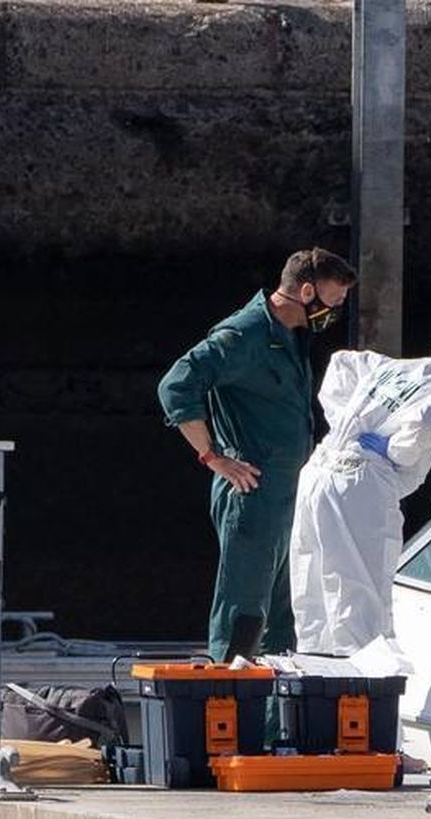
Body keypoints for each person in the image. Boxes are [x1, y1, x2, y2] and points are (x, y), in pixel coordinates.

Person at [157, 247, 356, 661]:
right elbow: (176, 385)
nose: (335, 312)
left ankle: (274, 699)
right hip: (253, 491)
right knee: (243, 610)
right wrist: (213, 456)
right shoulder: (244, 336)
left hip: (287, 493)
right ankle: (226, 695)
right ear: (306, 292)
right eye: (334, 301)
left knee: (284, 612)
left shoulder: (290, 336)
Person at [290, 319, 431, 655]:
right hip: (360, 484)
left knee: (313, 589)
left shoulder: (402, 368)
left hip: (319, 470)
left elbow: (343, 363)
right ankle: (361, 681)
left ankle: (316, 670)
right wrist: (397, 449)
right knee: (362, 596)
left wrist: (346, 424)